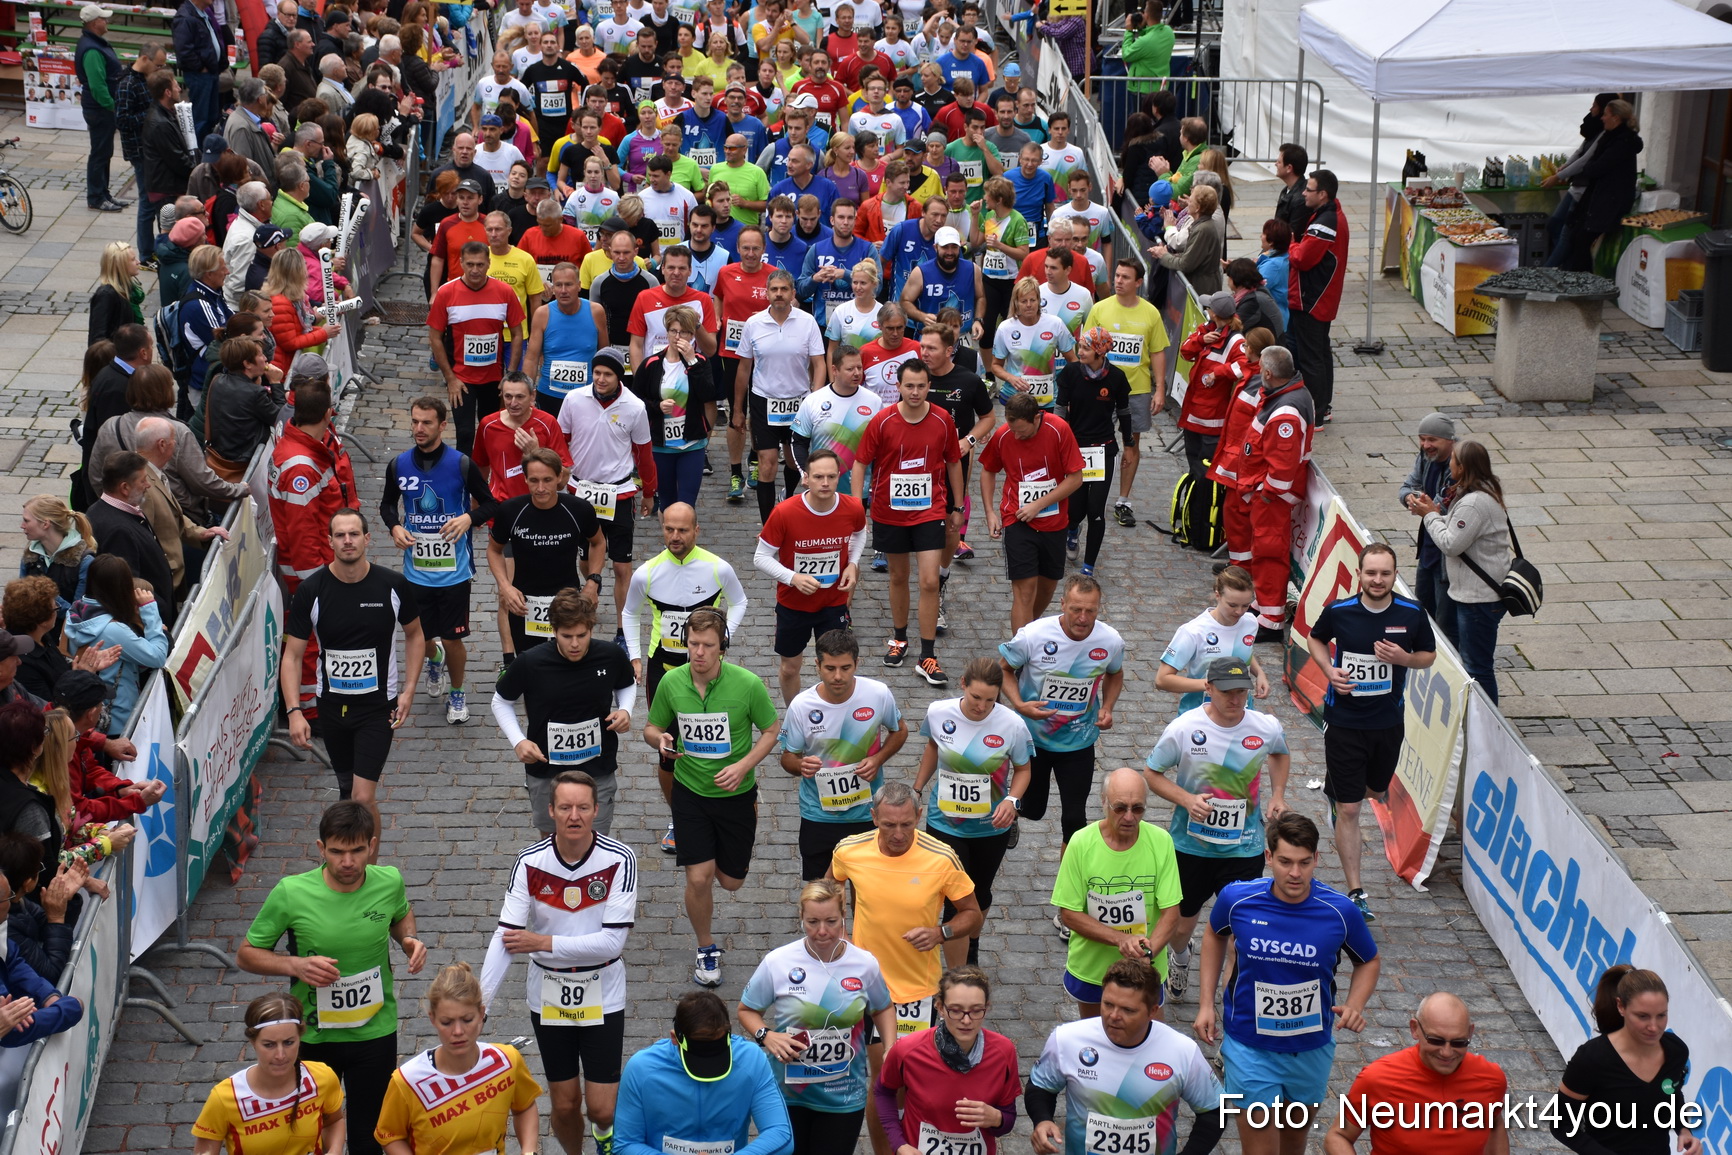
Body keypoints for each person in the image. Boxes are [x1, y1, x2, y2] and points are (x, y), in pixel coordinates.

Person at [238, 802, 428, 1155]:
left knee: (369, 1136)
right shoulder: (292, 892)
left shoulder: (389, 881)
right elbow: (247, 953)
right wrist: (295, 966)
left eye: (357, 851)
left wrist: (408, 939)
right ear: (321, 849)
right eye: (337, 852)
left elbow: (401, 914)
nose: (348, 862)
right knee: (311, 1132)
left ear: (372, 845)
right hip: (313, 1036)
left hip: (374, 1032)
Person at [1195, 812, 1380, 1155]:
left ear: (1317, 859)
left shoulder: (1340, 911)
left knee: (1293, 1145)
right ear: (1268, 857)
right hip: (1249, 1046)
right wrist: (1206, 1003)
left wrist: (1355, 1004)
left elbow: (1368, 960)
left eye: (1304, 862)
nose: (1295, 873)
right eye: (1285, 862)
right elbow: (1214, 934)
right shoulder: (1238, 900)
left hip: (1310, 1048)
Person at [478, 771, 633, 1155]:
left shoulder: (619, 859)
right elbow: (507, 935)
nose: (574, 816)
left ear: (596, 810)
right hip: (548, 993)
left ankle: (604, 1135)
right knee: (564, 1105)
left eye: (582, 807)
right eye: (565, 807)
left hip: (603, 990)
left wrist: (542, 943)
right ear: (551, 810)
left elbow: (611, 943)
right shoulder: (529, 862)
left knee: (602, 1108)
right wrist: (481, 1003)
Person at [643, 607, 781, 987]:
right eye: (693, 644)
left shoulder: (748, 685)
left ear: (723, 647)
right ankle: (706, 947)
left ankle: (724, 840)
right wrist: (661, 740)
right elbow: (651, 728)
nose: (699, 653)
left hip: (736, 794)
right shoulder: (671, 682)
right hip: (690, 792)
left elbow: (771, 730)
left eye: (707, 645)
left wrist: (744, 765)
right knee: (699, 877)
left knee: (731, 881)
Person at [1144, 657, 1289, 1003]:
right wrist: (1186, 799)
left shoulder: (1265, 727)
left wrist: (1278, 795)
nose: (1235, 699)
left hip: (1244, 847)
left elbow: (1280, 754)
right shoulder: (1184, 728)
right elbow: (1152, 773)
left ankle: (1230, 1003)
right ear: (1208, 689)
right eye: (1226, 692)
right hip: (1191, 846)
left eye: (1241, 691)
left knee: (1240, 932)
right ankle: (1181, 955)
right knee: (1181, 925)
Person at [1306, 542, 1436, 920]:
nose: (1377, 580)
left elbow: (1428, 655)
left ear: (1395, 575)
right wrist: (1329, 670)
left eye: (1385, 573)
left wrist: (1404, 658)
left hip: (1387, 723)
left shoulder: (1411, 613)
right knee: (1350, 807)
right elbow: (1316, 637)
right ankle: (1356, 892)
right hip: (1344, 721)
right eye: (1371, 573)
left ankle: (1340, 791)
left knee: (1374, 791)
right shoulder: (1340, 611)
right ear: (1359, 574)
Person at [280, 509, 425, 820]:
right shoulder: (311, 590)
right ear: (330, 541)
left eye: (354, 534)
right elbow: (292, 657)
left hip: (377, 707)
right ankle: (355, 851)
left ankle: (369, 855)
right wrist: (294, 711)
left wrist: (409, 690)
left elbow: (415, 635)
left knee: (362, 797)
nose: (348, 541)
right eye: (340, 535)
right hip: (332, 707)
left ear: (367, 539)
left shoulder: (393, 585)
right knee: (347, 793)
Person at [622, 505, 748, 854]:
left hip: (709, 670)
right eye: (669, 529)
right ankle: (679, 816)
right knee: (669, 750)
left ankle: (715, 806)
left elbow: (740, 602)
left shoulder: (717, 568)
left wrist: (722, 639)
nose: (675, 537)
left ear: (696, 530)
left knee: (710, 740)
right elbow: (630, 612)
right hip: (664, 669)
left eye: (682, 530)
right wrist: (634, 655)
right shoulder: (647, 573)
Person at [739, 878, 896, 1155]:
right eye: (812, 922)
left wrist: (890, 1047)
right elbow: (747, 1010)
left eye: (831, 922)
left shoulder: (864, 964)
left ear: (843, 916)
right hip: (788, 1094)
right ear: (801, 916)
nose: (822, 931)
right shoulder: (778, 961)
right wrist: (767, 1036)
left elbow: (883, 1007)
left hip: (843, 1095)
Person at [380, 396, 502, 726]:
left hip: (454, 572)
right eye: (415, 421)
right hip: (415, 572)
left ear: (442, 426)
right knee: (420, 636)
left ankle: (458, 692)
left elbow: (491, 504)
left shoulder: (461, 464)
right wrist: (394, 527)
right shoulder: (399, 465)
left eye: (427, 422)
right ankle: (435, 659)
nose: (419, 428)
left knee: (452, 637)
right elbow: (387, 505)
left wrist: (468, 518)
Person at [827, 782, 982, 1041]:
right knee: (870, 1060)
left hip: (917, 988)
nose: (898, 834)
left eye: (906, 824)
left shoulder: (941, 858)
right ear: (874, 817)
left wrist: (941, 933)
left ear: (919, 816)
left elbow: (973, 914)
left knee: (908, 1062)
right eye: (889, 825)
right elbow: (827, 893)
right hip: (863, 981)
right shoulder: (849, 851)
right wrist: (841, 936)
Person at [1027, 959, 1226, 1155]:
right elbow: (1040, 1086)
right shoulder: (1067, 1039)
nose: (1113, 1016)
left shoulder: (1182, 1051)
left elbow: (1217, 1111)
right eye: (1108, 1004)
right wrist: (1042, 1120)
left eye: (1128, 1010)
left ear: (1152, 1011)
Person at [907, 656, 1030, 970]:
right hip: (945, 822)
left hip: (991, 826)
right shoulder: (939, 712)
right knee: (954, 899)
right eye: (976, 697)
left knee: (981, 893)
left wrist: (1011, 801)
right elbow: (933, 748)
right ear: (963, 685)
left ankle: (972, 941)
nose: (981, 706)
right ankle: (958, 974)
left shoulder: (1012, 724)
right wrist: (917, 790)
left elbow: (1023, 769)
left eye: (990, 700)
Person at [851, 360, 964, 685]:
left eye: (921, 386)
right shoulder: (882, 420)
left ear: (929, 386)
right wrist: (857, 505)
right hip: (889, 512)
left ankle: (927, 656)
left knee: (929, 581)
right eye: (909, 386)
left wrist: (958, 506)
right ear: (898, 386)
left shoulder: (942, 420)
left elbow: (953, 462)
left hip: (930, 511)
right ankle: (899, 639)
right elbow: (860, 463)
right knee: (899, 577)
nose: (915, 392)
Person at [491, 586, 637, 836]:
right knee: (551, 841)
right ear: (554, 630)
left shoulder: (610, 655)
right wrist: (518, 741)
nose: (575, 644)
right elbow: (501, 701)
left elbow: (626, 684)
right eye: (567, 636)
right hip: (546, 769)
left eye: (582, 635)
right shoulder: (530, 662)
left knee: (596, 841)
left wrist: (625, 710)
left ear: (591, 629)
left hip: (597, 766)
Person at [997, 573, 1125, 846]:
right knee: (1033, 808)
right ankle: (1014, 812)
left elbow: (1115, 673)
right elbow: (1004, 669)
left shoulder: (1110, 640)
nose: (1083, 618)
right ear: (1063, 603)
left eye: (1091, 611)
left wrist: (1108, 706)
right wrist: (1019, 704)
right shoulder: (1034, 635)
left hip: (1078, 740)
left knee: (1074, 820)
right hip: (1034, 739)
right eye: (1076, 609)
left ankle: (1068, 874)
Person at [778, 629, 907, 881]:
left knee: (866, 891)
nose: (838, 676)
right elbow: (787, 758)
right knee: (822, 891)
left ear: (856, 664)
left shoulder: (878, 694)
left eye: (846, 668)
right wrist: (800, 765)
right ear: (817, 665)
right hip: (818, 814)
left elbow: (899, 731)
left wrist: (878, 759)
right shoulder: (801, 706)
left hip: (867, 812)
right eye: (830, 668)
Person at [376, 962, 542, 1155]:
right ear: (432, 1018)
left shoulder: (507, 1061)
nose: (457, 1031)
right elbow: (391, 1136)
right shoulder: (407, 1081)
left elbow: (524, 1107)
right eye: (446, 1022)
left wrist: (529, 1151)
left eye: (467, 1020)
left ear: (481, 1014)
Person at [269, 378, 361, 716]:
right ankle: (309, 710)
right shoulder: (301, 467)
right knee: (310, 641)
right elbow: (303, 534)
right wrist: (318, 585)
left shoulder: (305, 448)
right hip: (311, 572)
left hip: (320, 564)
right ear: (327, 413)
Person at [1324, 992, 1509, 1155]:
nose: (1446, 1052)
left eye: (1458, 1042)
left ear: (1470, 1033)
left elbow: (1494, 1123)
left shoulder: (1491, 1079)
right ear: (1415, 1029)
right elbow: (1338, 1136)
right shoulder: (1378, 1078)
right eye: (1436, 1040)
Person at [614, 990, 794, 1155]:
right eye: (700, 1053)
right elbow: (625, 1144)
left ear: (729, 1032)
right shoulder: (642, 1068)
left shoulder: (751, 1060)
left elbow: (780, 1134)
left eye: (716, 1050)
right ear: (675, 1038)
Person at [559, 347, 659, 639]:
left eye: (607, 375)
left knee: (622, 566)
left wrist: (649, 491)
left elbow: (644, 453)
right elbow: (560, 440)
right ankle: (593, 582)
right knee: (584, 559)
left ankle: (622, 631)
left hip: (619, 492)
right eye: (597, 373)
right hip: (581, 491)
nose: (601, 379)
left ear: (619, 377)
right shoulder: (574, 399)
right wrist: (563, 473)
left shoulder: (635, 407)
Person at [756, 452, 869, 704]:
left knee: (836, 667)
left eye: (831, 476)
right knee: (790, 668)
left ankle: (832, 713)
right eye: (818, 477)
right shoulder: (784, 512)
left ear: (839, 477)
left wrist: (852, 563)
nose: (825, 483)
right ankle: (795, 716)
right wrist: (793, 578)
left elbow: (860, 533)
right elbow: (761, 557)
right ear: (806, 478)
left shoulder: (852, 507)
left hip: (833, 603)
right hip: (793, 605)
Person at [873, 965, 1020, 1155]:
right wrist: (899, 1144)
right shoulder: (908, 1050)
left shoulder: (1003, 1052)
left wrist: (997, 1119)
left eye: (976, 1011)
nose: (966, 1020)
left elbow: (1007, 1119)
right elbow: (883, 1091)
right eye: (956, 1010)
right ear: (940, 1008)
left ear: (987, 1007)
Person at [1410, 439, 1513, 702]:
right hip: (1473, 594)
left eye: (1453, 461)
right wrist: (1434, 512)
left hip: (1479, 599)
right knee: (1472, 661)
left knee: (1477, 666)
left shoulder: (1473, 503)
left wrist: (1429, 516)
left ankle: (1487, 719)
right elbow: (1458, 525)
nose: (1450, 466)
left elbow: (1450, 544)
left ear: (1463, 467)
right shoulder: (1478, 493)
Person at [978, 392, 1084, 630]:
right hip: (1016, 520)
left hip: (1054, 522)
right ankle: (1021, 648)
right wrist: (990, 512)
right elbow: (988, 470)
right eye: (1013, 430)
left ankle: (1029, 633)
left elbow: (1075, 478)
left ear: (1037, 418)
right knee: (1024, 592)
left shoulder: (1059, 429)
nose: (1016, 436)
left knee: (1047, 587)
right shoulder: (1004, 435)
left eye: (1022, 432)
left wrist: (1038, 504)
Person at [192, 993, 346, 1155]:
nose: (280, 1055)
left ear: (300, 1038)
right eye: (269, 1045)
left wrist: (335, 1150)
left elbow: (334, 1121)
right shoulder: (224, 1098)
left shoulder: (322, 1077)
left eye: (288, 1042)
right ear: (253, 1042)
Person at [737, 268, 827, 523]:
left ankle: (787, 497)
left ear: (792, 293)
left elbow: (819, 363)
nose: (779, 294)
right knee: (767, 463)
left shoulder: (807, 322)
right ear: (766, 293)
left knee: (793, 461)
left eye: (784, 289)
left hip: (799, 402)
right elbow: (743, 368)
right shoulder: (753, 324)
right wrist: (738, 409)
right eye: (774, 289)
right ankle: (768, 525)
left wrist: (815, 398)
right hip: (763, 400)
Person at [1084, 260, 1168, 530]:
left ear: (1138, 282)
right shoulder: (1100, 308)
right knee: (1093, 441)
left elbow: (1157, 351)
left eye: (1125, 277)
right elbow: (1085, 347)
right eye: (1117, 276)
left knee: (1131, 444)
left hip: (1136, 390)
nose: (1118, 281)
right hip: (1100, 388)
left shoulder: (1151, 313)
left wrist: (1160, 389)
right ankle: (1089, 493)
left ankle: (1123, 501)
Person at [1240, 346, 1314, 641]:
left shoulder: (1285, 412)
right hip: (1269, 494)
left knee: (1269, 552)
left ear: (1269, 373)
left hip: (1272, 497)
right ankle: (1264, 605)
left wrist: (1266, 494)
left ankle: (1271, 621)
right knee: (1263, 550)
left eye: (1261, 369)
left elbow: (1282, 468)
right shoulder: (1287, 396)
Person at [428, 240, 527, 456]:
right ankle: (464, 475)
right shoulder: (447, 293)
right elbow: (435, 338)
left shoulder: (504, 291)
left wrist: (510, 375)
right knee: (465, 434)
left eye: (480, 265)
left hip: (493, 379)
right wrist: (450, 378)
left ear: (489, 264)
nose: (475, 270)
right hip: (461, 379)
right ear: (461, 263)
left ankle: (488, 475)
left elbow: (518, 333)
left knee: (490, 433)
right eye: (470, 264)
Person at [64, 554, 170, 737]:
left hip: (93, 716)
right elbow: (158, 656)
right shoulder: (113, 630)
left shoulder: (75, 613)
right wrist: (150, 610)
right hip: (118, 721)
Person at [1052, 327, 1130, 575]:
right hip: (1076, 447)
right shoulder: (1071, 373)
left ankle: (1088, 567)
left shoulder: (1117, 377)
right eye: (1080, 347)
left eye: (1086, 348)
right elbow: (1060, 408)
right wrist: (1057, 440)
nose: (1080, 352)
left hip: (1104, 449)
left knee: (1096, 511)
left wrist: (1129, 444)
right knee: (1075, 510)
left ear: (1100, 352)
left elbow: (1124, 413)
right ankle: (1072, 530)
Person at [1157, 566, 1271, 712]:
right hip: (1200, 714)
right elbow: (1162, 680)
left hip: (1240, 711)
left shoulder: (1250, 623)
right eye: (1232, 605)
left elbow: (1244, 650)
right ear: (1217, 595)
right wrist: (1212, 684)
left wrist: (1259, 673)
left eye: (1245, 605)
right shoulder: (1193, 632)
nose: (1239, 612)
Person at [1287, 169, 1349, 423]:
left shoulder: (1325, 222)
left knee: (1311, 358)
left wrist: (1292, 243)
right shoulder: (1330, 213)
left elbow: (1302, 258)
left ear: (1322, 194)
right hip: (1321, 298)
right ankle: (1324, 407)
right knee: (1321, 354)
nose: (1304, 193)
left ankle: (1316, 414)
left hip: (1312, 299)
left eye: (1308, 189)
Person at [84, 457, 177, 625]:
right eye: (143, 480)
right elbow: (129, 586)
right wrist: (159, 610)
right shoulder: (118, 531)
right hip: (153, 621)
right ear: (125, 488)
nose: (148, 485)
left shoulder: (102, 510)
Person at [1560, 100, 1642, 274]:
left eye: (1606, 114)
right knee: (1577, 238)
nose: (1602, 118)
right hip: (1599, 198)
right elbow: (1591, 164)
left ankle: (1584, 282)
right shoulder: (1609, 137)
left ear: (1616, 118)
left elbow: (1595, 168)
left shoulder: (1622, 142)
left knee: (1582, 241)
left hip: (1609, 201)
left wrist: (1588, 168)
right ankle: (1579, 279)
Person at [1176, 290, 1248, 479]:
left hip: (1212, 420)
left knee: (1205, 471)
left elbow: (1245, 366)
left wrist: (1218, 373)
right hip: (1194, 412)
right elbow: (1185, 351)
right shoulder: (1206, 330)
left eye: (1208, 307)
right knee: (1194, 467)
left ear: (1214, 313)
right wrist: (1201, 340)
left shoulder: (1236, 341)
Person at [1396, 412, 1457, 628]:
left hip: (1447, 557)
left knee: (1445, 623)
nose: (1426, 445)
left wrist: (1423, 506)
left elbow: (1441, 506)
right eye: (1422, 439)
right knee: (1421, 613)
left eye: (1432, 440)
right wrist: (1410, 498)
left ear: (1449, 440)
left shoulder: (1458, 466)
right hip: (1428, 549)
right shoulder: (1425, 457)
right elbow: (1407, 487)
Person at [76, 5, 128, 214]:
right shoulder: (92, 49)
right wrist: (113, 107)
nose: (107, 22)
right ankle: (96, 197)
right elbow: (98, 86)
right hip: (99, 109)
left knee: (104, 152)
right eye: (103, 19)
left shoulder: (95, 43)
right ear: (93, 22)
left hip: (101, 108)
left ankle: (103, 194)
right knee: (100, 153)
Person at [90, 241, 146, 347]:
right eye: (133, 260)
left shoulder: (129, 289)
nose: (138, 262)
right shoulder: (106, 295)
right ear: (120, 266)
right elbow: (98, 339)